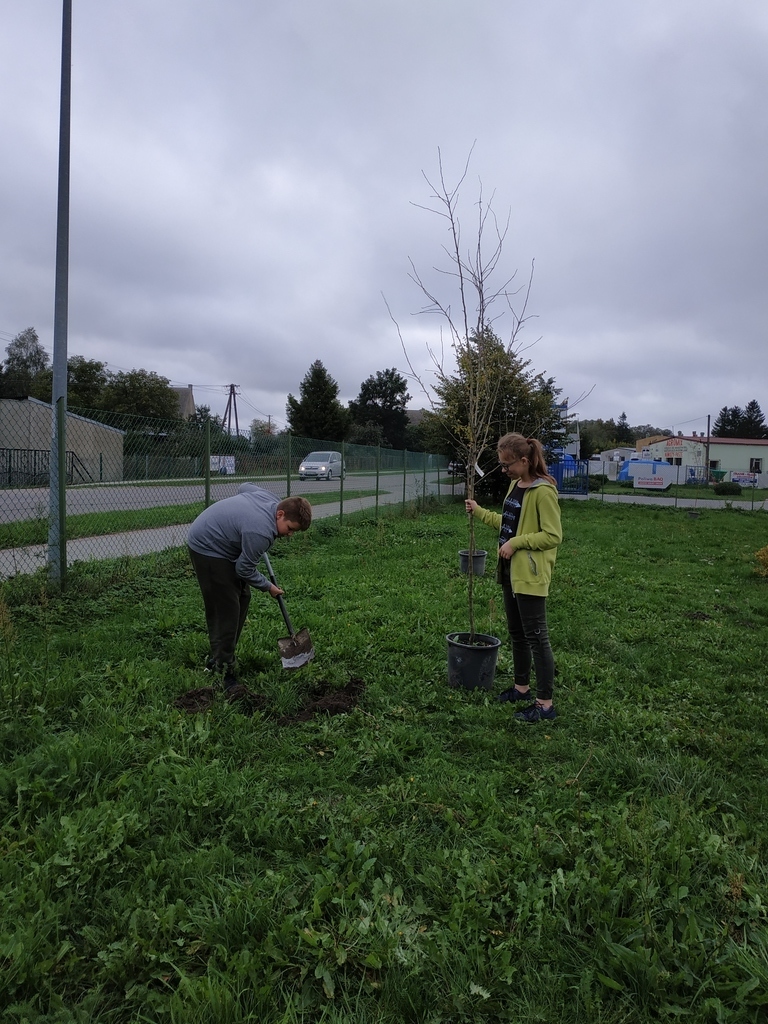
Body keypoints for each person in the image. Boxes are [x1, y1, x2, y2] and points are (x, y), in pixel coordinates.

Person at [465, 434, 562, 723]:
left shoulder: (543, 492)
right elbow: (507, 523)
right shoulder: (514, 486)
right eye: (502, 465)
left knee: (537, 638)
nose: (504, 470)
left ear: (524, 460)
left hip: (530, 574)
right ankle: (522, 688)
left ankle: (545, 705)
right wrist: (480, 511)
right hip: (509, 571)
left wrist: (517, 543)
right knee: (517, 633)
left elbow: (553, 535)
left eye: (508, 465)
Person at [187, 484, 312, 692]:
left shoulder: (269, 498)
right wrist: (268, 586)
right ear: (280, 513)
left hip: (223, 545)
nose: (290, 535)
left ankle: (220, 655)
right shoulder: (260, 532)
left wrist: (239, 518)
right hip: (207, 547)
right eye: (290, 529)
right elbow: (244, 569)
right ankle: (225, 671)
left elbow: (244, 488)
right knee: (226, 608)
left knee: (243, 598)